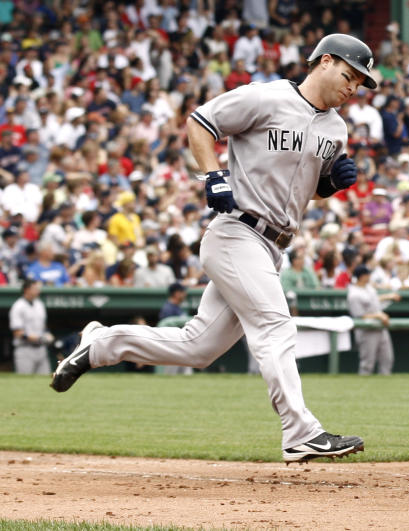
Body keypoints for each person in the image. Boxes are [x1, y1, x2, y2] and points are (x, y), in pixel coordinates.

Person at [50, 33, 379, 464]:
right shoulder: (266, 98)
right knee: (276, 326)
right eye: (349, 75)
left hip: (274, 244)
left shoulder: (336, 128)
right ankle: (301, 432)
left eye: (359, 82)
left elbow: (309, 192)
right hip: (236, 233)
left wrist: (329, 186)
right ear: (325, 61)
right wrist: (212, 174)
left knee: (197, 348)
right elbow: (201, 122)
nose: (353, 87)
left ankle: (101, 343)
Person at [347, 264, 400, 376]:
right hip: (366, 330)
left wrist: (388, 296)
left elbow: (374, 300)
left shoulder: (369, 288)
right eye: (367, 274)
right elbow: (359, 315)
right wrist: (378, 316)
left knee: (387, 359)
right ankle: (362, 390)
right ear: (361, 276)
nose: (369, 276)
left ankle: (385, 387)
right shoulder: (353, 294)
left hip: (380, 327)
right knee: (367, 363)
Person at [9, 279, 51, 374]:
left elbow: (43, 325)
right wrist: (39, 338)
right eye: (35, 289)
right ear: (27, 290)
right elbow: (17, 333)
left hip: (41, 349)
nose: (38, 291)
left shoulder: (39, 304)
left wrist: (47, 334)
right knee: (24, 382)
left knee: (44, 381)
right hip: (25, 349)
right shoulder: (18, 306)